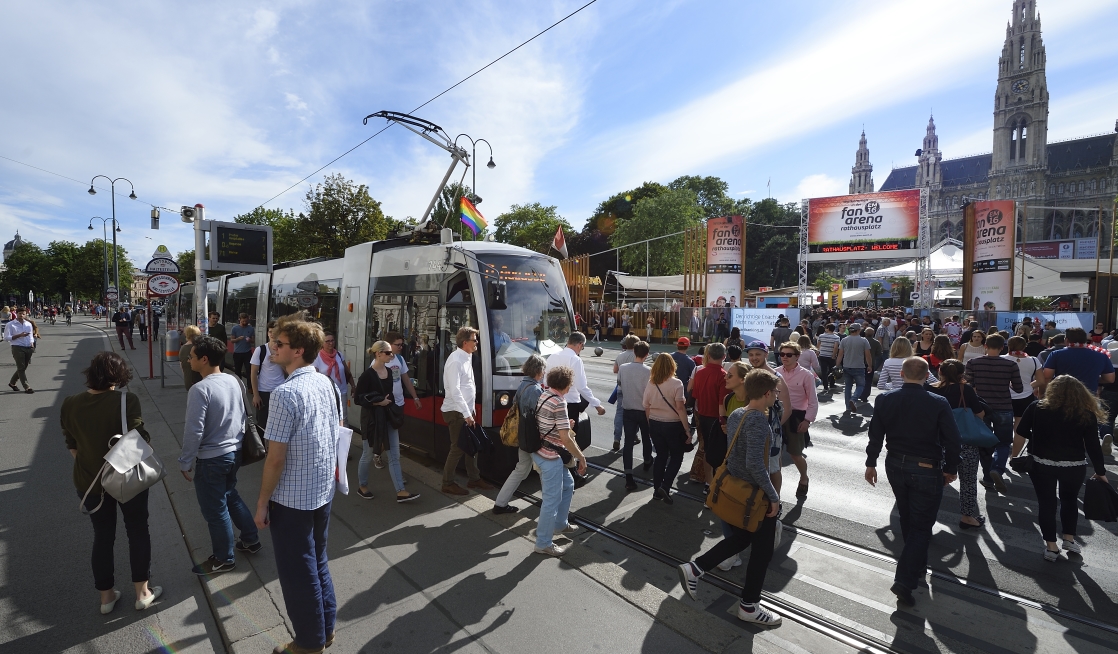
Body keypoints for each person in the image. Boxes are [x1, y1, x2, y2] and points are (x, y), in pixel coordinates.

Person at [253, 315, 342, 654]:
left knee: (296, 572)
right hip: (321, 491)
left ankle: (308, 643)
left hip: (291, 499)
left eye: (279, 344)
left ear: (298, 351)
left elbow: (274, 459)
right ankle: (325, 630)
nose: (272, 347)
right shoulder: (323, 382)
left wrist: (262, 503)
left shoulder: (284, 394)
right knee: (317, 561)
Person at [677, 368, 783, 627]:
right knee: (762, 551)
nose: (777, 396)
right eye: (776, 392)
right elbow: (756, 464)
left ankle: (695, 568)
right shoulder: (758, 420)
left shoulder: (738, 413)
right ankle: (749, 606)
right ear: (767, 393)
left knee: (742, 539)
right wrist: (773, 496)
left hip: (736, 490)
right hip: (754, 496)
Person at [62, 351, 161, 614]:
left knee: (103, 537)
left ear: (91, 374)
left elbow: (71, 445)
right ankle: (142, 593)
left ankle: (106, 597)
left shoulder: (70, 403)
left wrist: (95, 464)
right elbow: (141, 439)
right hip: (127, 480)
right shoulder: (126, 400)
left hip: (89, 483)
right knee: (137, 530)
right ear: (118, 376)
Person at [865, 357, 960, 607]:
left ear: (903, 373)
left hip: (895, 464)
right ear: (927, 374)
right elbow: (952, 439)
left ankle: (916, 566)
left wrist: (871, 462)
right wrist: (952, 469)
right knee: (921, 526)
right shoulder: (938, 401)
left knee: (907, 517)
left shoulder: (885, 398)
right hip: (926, 468)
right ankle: (905, 579)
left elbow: (875, 433)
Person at [179, 335, 261, 575]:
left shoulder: (199, 389)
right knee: (230, 495)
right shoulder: (234, 380)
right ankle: (250, 539)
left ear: (204, 359)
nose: (188, 360)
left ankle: (224, 559)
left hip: (211, 458)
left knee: (215, 510)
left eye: (191, 357)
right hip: (234, 452)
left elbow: (194, 430)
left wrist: (185, 460)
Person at [1012, 375, 1108, 561]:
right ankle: (1069, 539)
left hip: (1041, 464)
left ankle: (1051, 547)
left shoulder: (1037, 407)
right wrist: (1100, 471)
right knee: (1070, 501)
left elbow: (1021, 431)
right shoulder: (1085, 414)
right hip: (1073, 465)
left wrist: (1028, 443)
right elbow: (1092, 445)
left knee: (1046, 503)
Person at [354, 341, 420, 503]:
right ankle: (362, 486)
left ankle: (401, 491)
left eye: (392, 353)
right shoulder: (368, 375)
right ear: (378, 354)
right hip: (372, 419)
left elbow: (390, 394)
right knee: (368, 454)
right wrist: (377, 402)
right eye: (389, 353)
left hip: (388, 417)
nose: (392, 355)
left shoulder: (390, 372)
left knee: (394, 455)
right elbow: (358, 398)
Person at [928, 360, 990, 530]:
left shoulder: (930, 388)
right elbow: (980, 413)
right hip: (964, 442)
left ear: (940, 372)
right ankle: (967, 517)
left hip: (936, 442)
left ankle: (927, 518)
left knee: (933, 481)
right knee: (968, 481)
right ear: (962, 374)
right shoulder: (966, 390)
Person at [532, 365, 587, 556]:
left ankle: (560, 524)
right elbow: (566, 438)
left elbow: (549, 423)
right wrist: (581, 457)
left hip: (542, 450)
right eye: (571, 383)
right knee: (551, 500)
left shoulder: (545, 395)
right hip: (551, 455)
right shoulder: (559, 402)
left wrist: (565, 424)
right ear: (566, 384)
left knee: (568, 484)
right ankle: (543, 543)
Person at [964, 334, 1022, 494]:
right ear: (1002, 348)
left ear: (985, 346)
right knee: (1003, 443)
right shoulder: (1010, 365)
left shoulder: (973, 363)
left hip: (981, 407)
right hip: (1003, 407)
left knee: (984, 442)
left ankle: (988, 477)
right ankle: (997, 468)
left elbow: (968, 385)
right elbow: (1019, 388)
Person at [545, 332, 607, 480]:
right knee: (569, 439)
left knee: (555, 437)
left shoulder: (553, 356)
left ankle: (556, 469)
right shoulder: (575, 360)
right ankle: (572, 472)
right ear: (580, 345)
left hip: (552, 401)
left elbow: (546, 381)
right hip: (570, 404)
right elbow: (581, 387)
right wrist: (597, 404)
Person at [441, 326, 494, 495]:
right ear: (465, 343)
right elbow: (455, 390)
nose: (477, 342)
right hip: (456, 411)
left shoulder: (467, 356)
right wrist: (466, 413)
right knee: (457, 447)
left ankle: (474, 478)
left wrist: (470, 410)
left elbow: (467, 385)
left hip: (464, 411)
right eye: (474, 340)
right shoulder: (456, 360)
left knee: (471, 444)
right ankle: (447, 483)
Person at [493, 355, 547, 514]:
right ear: (538, 371)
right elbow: (540, 415)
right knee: (545, 471)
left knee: (521, 470)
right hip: (534, 438)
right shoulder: (535, 389)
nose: (544, 373)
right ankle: (551, 509)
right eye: (543, 370)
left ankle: (500, 503)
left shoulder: (522, 385)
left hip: (523, 436)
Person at [643, 353, 691, 503]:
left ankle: (657, 491)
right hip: (673, 425)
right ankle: (666, 485)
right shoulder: (677, 384)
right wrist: (687, 430)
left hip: (655, 423)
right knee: (677, 456)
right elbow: (680, 408)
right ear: (672, 366)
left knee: (661, 456)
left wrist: (650, 425)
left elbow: (646, 406)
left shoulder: (651, 383)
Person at [775, 341, 817, 500]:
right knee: (774, 454)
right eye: (782, 354)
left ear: (797, 357)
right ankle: (775, 487)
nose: (784, 357)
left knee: (795, 454)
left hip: (797, 417)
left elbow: (813, 401)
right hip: (777, 414)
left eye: (788, 355)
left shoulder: (806, 375)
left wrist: (807, 420)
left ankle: (804, 478)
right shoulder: (776, 372)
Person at [380, 331, 423, 467]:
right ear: (388, 345)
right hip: (386, 404)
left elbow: (406, 379)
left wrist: (415, 397)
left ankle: (378, 453)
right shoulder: (380, 361)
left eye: (401, 344)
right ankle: (391, 464)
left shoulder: (400, 359)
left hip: (398, 403)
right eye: (397, 345)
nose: (401, 347)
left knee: (392, 433)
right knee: (390, 436)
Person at [688, 343, 728, 485]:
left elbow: (696, 395)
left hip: (702, 415)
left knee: (706, 448)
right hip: (716, 418)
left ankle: (707, 481)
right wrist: (723, 421)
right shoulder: (723, 375)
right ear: (724, 356)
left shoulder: (700, 372)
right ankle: (713, 482)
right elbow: (722, 402)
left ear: (708, 355)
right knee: (718, 451)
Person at [618, 341, 653, 490]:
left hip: (628, 410)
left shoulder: (623, 368)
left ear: (634, 352)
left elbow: (619, 385)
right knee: (646, 438)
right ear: (647, 355)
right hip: (644, 410)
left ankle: (629, 476)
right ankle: (646, 461)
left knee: (628, 443)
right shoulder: (649, 371)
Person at [1040, 326, 1114, 395]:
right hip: (1089, 397)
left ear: (1067, 340)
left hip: (1062, 396)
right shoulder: (1101, 355)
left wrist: (1042, 394)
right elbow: (1110, 379)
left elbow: (1047, 377)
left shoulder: (1056, 354)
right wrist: (1093, 378)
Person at [251, 320, 284, 435]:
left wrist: (280, 361)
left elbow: (289, 372)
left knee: (279, 423)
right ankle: (262, 450)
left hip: (280, 391)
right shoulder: (260, 350)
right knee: (262, 424)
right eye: (270, 332)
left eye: (274, 332)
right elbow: (253, 373)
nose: (271, 334)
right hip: (264, 391)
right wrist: (256, 395)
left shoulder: (284, 350)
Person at [1004, 335, 1041, 430]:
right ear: (1024, 346)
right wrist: (1027, 386)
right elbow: (1041, 380)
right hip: (1025, 396)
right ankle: (1016, 443)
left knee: (1002, 423)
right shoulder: (1034, 360)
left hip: (1003, 395)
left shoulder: (1001, 359)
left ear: (1008, 345)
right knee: (1019, 424)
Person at [835, 322, 872, 415]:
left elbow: (840, 355)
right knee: (861, 385)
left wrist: (837, 365)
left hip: (847, 365)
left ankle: (848, 406)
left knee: (848, 386)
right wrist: (870, 365)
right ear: (858, 330)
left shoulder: (844, 340)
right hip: (859, 366)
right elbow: (868, 355)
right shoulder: (864, 340)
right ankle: (854, 399)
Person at [611, 335, 640, 451]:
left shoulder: (620, 355)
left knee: (619, 414)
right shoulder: (637, 356)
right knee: (636, 414)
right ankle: (634, 435)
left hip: (621, 388)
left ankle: (616, 438)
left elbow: (615, 370)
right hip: (634, 389)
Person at [313, 331, 354, 404]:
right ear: (322, 343)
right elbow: (314, 378)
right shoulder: (317, 357)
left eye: (332, 340)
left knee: (343, 415)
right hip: (325, 394)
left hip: (341, 391)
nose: (331, 343)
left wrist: (353, 386)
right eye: (327, 341)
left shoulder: (339, 354)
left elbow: (347, 372)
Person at [5, 307, 35, 393]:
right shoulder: (10, 324)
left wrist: (32, 344)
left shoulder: (28, 324)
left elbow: (31, 336)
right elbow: (6, 338)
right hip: (17, 347)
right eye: (19, 313)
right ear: (16, 314)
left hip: (28, 347)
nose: (21, 315)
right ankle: (27, 387)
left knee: (23, 367)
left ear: (26, 314)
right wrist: (19, 335)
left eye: (23, 314)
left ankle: (12, 383)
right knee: (21, 368)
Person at [816, 323, 841, 393]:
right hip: (831, 356)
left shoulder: (821, 336)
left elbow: (818, 345)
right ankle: (832, 384)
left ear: (827, 329)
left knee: (824, 371)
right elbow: (836, 347)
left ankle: (825, 386)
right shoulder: (836, 337)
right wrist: (833, 355)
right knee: (832, 370)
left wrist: (817, 352)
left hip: (822, 355)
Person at [179, 325, 204, 391]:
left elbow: (181, 365)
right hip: (198, 380)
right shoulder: (198, 347)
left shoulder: (183, 348)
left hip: (188, 379)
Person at [230, 313, 255, 378]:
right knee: (237, 371)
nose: (244, 322)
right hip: (237, 353)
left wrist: (250, 340)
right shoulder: (234, 328)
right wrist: (238, 339)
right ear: (239, 320)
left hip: (247, 353)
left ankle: (250, 387)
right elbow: (232, 340)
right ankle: (239, 385)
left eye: (246, 321)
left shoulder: (251, 328)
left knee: (249, 370)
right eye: (243, 321)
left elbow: (253, 341)